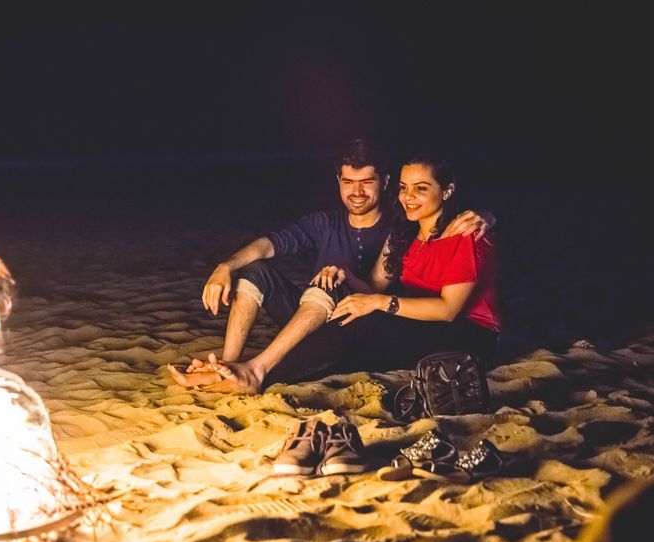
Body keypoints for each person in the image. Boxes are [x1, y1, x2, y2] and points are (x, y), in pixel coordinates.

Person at [169, 140, 492, 390]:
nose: (357, 191)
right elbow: (271, 244)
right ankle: (233, 365)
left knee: (342, 305)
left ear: (384, 182)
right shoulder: (394, 231)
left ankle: (253, 371)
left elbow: (441, 306)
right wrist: (225, 266)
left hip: (411, 327)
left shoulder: (420, 229)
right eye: (348, 182)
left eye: (366, 181)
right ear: (338, 181)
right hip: (328, 318)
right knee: (258, 273)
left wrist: (489, 217)